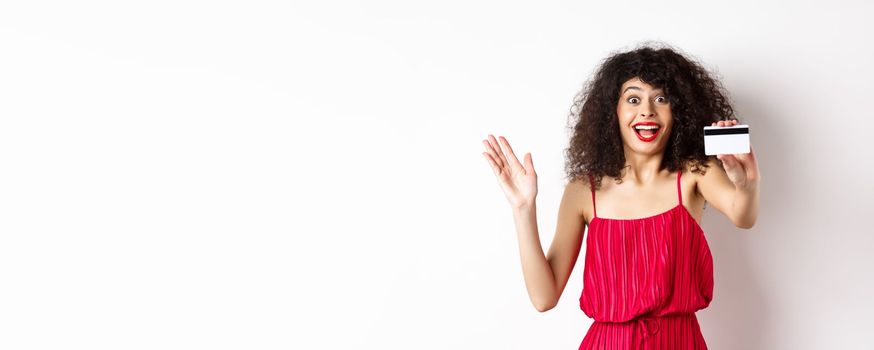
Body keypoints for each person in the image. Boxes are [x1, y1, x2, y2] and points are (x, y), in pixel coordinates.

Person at [481, 43, 760, 349]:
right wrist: (523, 209)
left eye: (661, 98)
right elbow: (544, 297)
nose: (647, 110)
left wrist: (747, 183)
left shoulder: (695, 173)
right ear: (612, 111)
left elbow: (743, 216)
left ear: (678, 110)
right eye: (633, 98)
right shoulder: (583, 191)